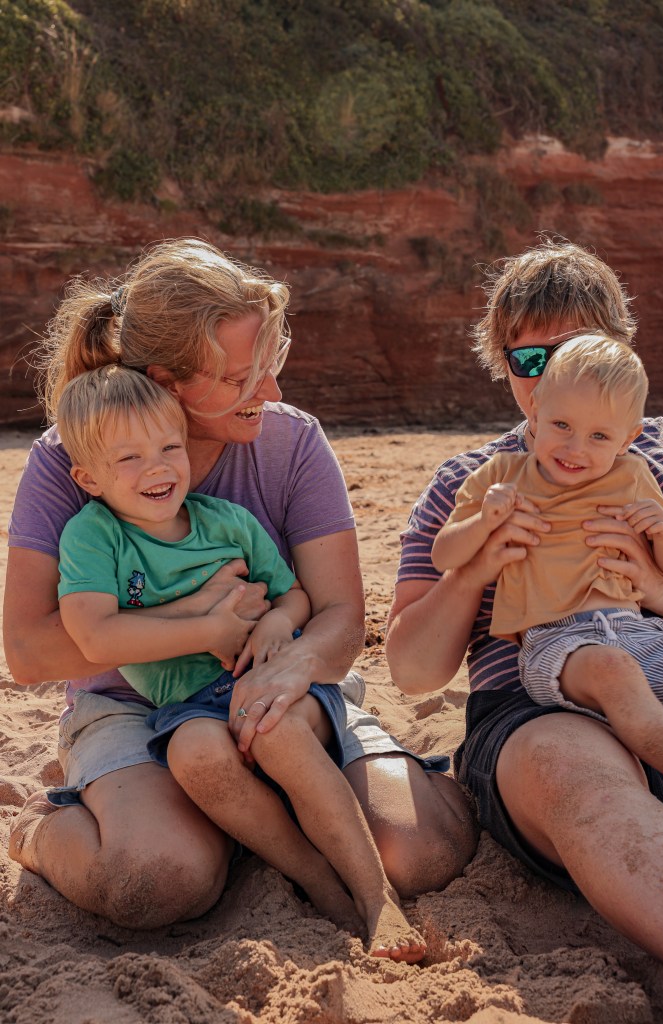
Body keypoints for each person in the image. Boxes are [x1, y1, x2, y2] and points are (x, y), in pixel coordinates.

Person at [6, 237, 478, 938]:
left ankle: (291, 811)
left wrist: (283, 674)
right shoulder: (72, 459)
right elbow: (30, 655)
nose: (272, 393)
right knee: (158, 882)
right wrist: (199, 619)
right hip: (132, 705)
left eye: (272, 364)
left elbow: (341, 617)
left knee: (419, 854)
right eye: (239, 378)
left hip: (276, 688)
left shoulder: (293, 443)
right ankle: (42, 833)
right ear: (166, 382)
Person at [54, 364, 424, 960]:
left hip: (268, 680)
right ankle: (315, 877)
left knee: (273, 732)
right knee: (193, 754)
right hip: (183, 703)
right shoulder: (93, 536)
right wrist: (210, 624)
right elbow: (95, 637)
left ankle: (377, 897)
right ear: (87, 477)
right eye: (129, 459)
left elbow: (295, 595)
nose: (157, 468)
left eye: (170, 447)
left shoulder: (227, 523)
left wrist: (277, 621)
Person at [385, 238, 663, 972]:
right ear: (504, 368)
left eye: (576, 346)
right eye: (529, 361)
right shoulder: (475, 481)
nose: (553, 373)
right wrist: (474, 569)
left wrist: (658, 588)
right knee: (580, 781)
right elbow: (414, 671)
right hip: (535, 706)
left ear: (618, 350)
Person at [432, 334, 663, 784]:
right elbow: (443, 554)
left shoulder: (632, 475)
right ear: (534, 412)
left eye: (599, 436)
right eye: (561, 425)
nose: (575, 449)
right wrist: (483, 522)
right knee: (614, 672)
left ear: (629, 439)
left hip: (640, 629)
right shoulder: (503, 475)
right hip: (555, 642)